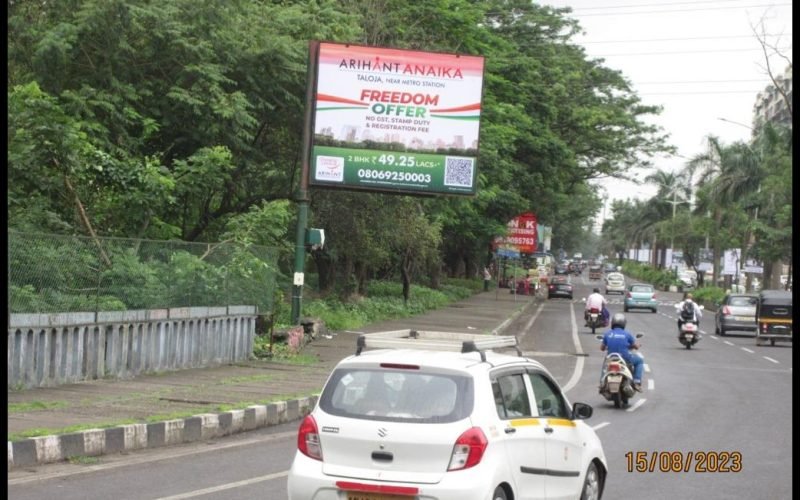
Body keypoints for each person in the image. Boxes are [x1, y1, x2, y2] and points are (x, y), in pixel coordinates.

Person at [600, 313, 644, 392]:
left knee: (605, 365)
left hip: (611, 358)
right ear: (624, 323)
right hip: (625, 358)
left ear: (612, 322)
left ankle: (602, 383)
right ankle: (637, 382)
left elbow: (602, 348)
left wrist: (608, 346)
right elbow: (635, 346)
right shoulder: (627, 334)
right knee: (640, 361)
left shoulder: (607, 334)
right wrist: (638, 345)